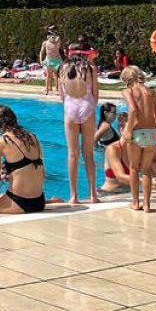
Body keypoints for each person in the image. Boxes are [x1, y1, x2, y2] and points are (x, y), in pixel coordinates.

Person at [0, 104, 57, 214]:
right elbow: (42, 172)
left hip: (20, 203)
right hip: (39, 201)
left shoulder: (0, 142)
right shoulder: (33, 137)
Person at [60, 48, 99, 204]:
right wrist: (91, 106)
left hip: (70, 108)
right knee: (88, 154)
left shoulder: (62, 69)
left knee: (72, 154)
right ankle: (92, 195)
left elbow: (62, 96)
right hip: (87, 107)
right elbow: (96, 93)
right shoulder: (90, 69)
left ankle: (74, 196)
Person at [121, 66, 156, 212]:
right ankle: (147, 205)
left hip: (136, 132)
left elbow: (132, 110)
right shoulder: (151, 92)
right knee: (146, 169)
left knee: (133, 168)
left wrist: (128, 129)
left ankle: (136, 202)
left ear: (127, 80)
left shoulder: (129, 91)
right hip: (151, 133)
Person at [39, 29, 62, 95]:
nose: (52, 37)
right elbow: (41, 52)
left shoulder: (56, 42)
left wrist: (58, 40)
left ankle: (57, 89)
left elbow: (58, 48)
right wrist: (41, 60)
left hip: (56, 60)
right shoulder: (45, 43)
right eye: (51, 36)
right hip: (49, 60)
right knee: (48, 75)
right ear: (48, 37)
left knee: (57, 75)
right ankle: (47, 89)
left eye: (53, 36)